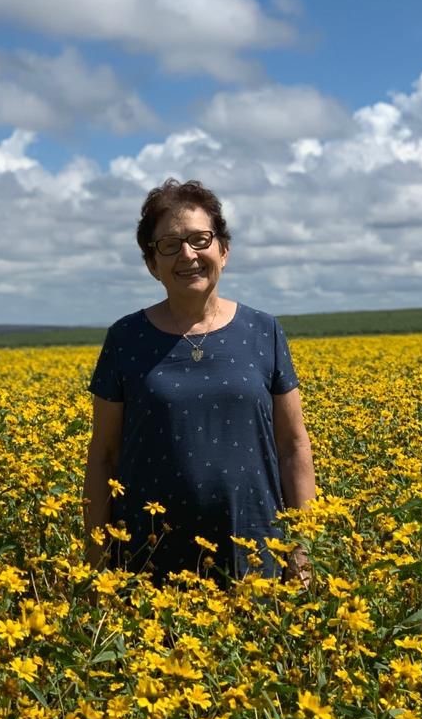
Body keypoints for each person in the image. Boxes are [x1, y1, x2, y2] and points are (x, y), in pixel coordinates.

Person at [84, 178, 316, 584]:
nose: (187, 254)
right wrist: (96, 561)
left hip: (256, 550)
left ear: (223, 251)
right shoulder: (125, 338)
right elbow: (103, 455)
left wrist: (304, 549)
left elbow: (293, 446)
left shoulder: (264, 331)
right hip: (148, 556)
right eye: (169, 245)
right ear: (152, 264)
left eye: (200, 239)